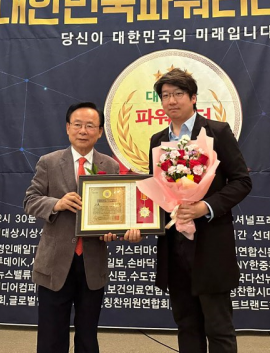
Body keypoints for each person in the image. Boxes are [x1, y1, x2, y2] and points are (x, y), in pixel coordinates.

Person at [149, 69, 252, 353]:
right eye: (165, 95)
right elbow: (157, 190)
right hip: (174, 247)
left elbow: (242, 182)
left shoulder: (217, 132)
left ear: (193, 98)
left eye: (178, 94)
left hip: (210, 245)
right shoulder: (157, 140)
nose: (171, 101)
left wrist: (203, 207)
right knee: (186, 325)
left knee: (218, 328)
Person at [24, 101, 140, 353]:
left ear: (100, 132)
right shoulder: (49, 162)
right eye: (77, 125)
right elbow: (30, 201)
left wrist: (115, 230)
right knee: (51, 337)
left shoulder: (110, 165)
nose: (83, 131)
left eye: (90, 126)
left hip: (92, 261)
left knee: (88, 336)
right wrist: (56, 203)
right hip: (55, 262)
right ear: (67, 128)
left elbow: (115, 211)